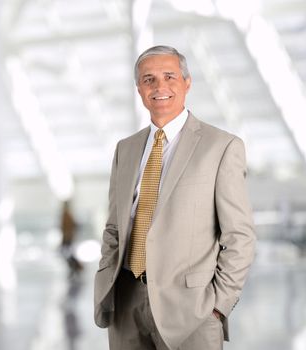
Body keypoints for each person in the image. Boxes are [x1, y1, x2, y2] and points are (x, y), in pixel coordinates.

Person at [93, 45, 256, 350]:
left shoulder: (221, 147)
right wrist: (106, 277)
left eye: (169, 76)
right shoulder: (125, 149)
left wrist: (218, 305)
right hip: (126, 301)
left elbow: (239, 236)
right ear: (139, 88)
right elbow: (114, 227)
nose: (159, 87)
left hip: (192, 310)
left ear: (187, 82)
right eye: (149, 79)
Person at [60, 200, 83, 278]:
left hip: (67, 237)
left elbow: (71, 226)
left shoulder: (67, 214)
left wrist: (68, 235)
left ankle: (76, 267)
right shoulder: (66, 214)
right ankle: (75, 268)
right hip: (67, 237)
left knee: (66, 253)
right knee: (68, 253)